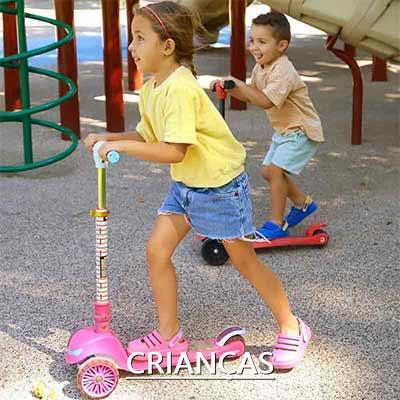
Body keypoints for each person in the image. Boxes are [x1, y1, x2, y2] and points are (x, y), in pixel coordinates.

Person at [85, 2, 311, 370]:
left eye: (139, 38)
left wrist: (120, 148)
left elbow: (175, 150)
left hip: (219, 188)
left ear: (167, 46)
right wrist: (108, 137)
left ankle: (292, 326)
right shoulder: (153, 88)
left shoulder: (180, 88)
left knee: (245, 261)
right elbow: (148, 136)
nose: (132, 47)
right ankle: (169, 336)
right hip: (187, 187)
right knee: (157, 252)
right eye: (132, 38)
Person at [222, 12, 325, 240]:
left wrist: (239, 84)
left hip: (301, 130)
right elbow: (252, 95)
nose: (254, 47)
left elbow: (266, 101)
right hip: (285, 131)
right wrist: (231, 88)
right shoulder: (261, 67)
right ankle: (302, 204)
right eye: (252, 40)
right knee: (268, 172)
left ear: (281, 46)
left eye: (262, 42)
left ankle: (276, 223)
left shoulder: (283, 70)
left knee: (276, 171)